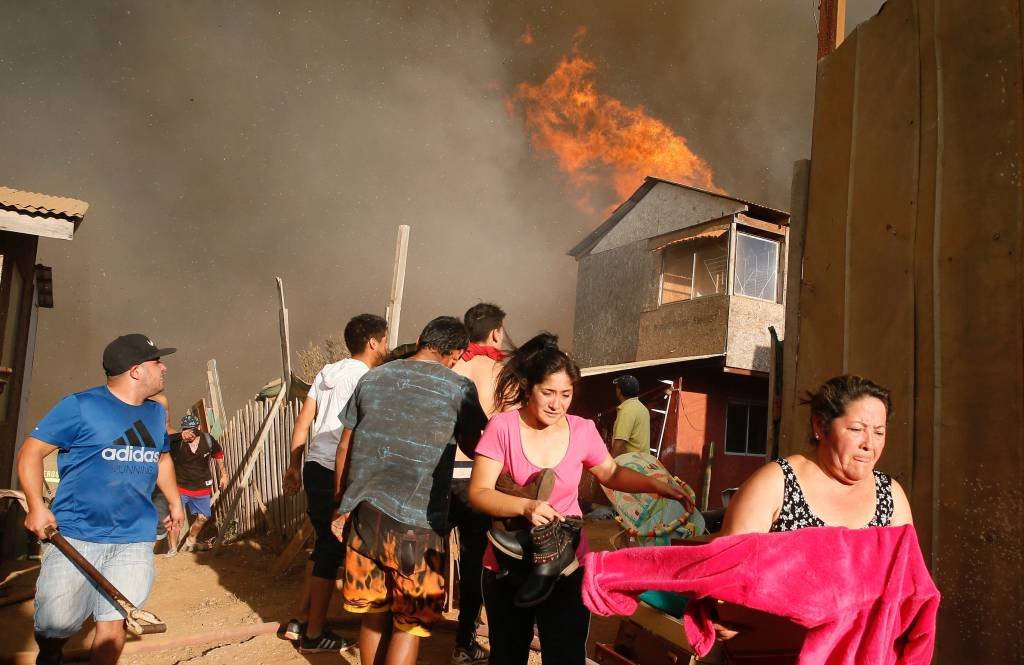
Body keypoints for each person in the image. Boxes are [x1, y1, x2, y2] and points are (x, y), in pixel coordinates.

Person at [467, 333, 690, 665]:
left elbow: (611, 473)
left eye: (566, 394)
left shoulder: (583, 430)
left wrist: (657, 485)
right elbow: (479, 492)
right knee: (507, 656)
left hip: (567, 565)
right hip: (508, 563)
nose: (557, 404)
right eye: (548, 393)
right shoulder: (503, 427)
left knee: (566, 656)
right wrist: (525, 506)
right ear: (529, 388)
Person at [16, 333, 184, 665]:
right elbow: (31, 452)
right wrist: (36, 505)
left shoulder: (154, 414)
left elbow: (161, 458)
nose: (163, 368)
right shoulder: (80, 406)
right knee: (56, 626)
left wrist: (175, 501)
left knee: (114, 624)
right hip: (76, 536)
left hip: (134, 537)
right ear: (136, 371)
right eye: (156, 362)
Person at [332, 316, 488, 665]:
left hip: (364, 515)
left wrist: (340, 506)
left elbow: (344, 447)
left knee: (373, 614)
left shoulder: (371, 379)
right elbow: (480, 446)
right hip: (418, 525)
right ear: (457, 353)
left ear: (421, 339)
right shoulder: (459, 388)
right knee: (409, 624)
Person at [280, 313, 389, 654]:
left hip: (315, 465)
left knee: (324, 545)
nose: (386, 346)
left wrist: (295, 466)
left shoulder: (328, 372)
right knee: (334, 547)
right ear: (373, 342)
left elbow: (303, 420)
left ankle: (300, 619)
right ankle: (313, 634)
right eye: (385, 340)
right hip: (340, 469)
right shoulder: (369, 379)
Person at [720, 374, 913, 536]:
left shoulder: (889, 495)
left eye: (879, 432)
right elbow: (733, 572)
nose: (869, 444)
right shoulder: (776, 485)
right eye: (856, 429)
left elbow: (908, 575)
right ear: (820, 426)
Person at [449, 303, 507, 665]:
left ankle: (406, 627)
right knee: (474, 562)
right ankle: (464, 642)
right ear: (497, 332)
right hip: (477, 478)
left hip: (440, 475)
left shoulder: (451, 364)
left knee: (423, 554)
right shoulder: (502, 370)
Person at [166, 414, 227, 555]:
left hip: (201, 486)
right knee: (175, 519)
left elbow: (218, 454)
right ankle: (173, 549)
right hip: (180, 486)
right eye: (187, 429)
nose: (190, 432)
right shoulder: (176, 442)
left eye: (193, 429)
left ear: (198, 428)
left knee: (203, 517)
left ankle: (191, 539)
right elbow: (161, 442)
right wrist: (179, 436)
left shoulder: (207, 440)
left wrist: (224, 475)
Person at [610, 374, 650, 457]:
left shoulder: (627, 410)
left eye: (617, 387)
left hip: (631, 463)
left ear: (619, 391)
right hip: (642, 462)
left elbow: (620, 444)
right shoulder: (642, 408)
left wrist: (611, 466)